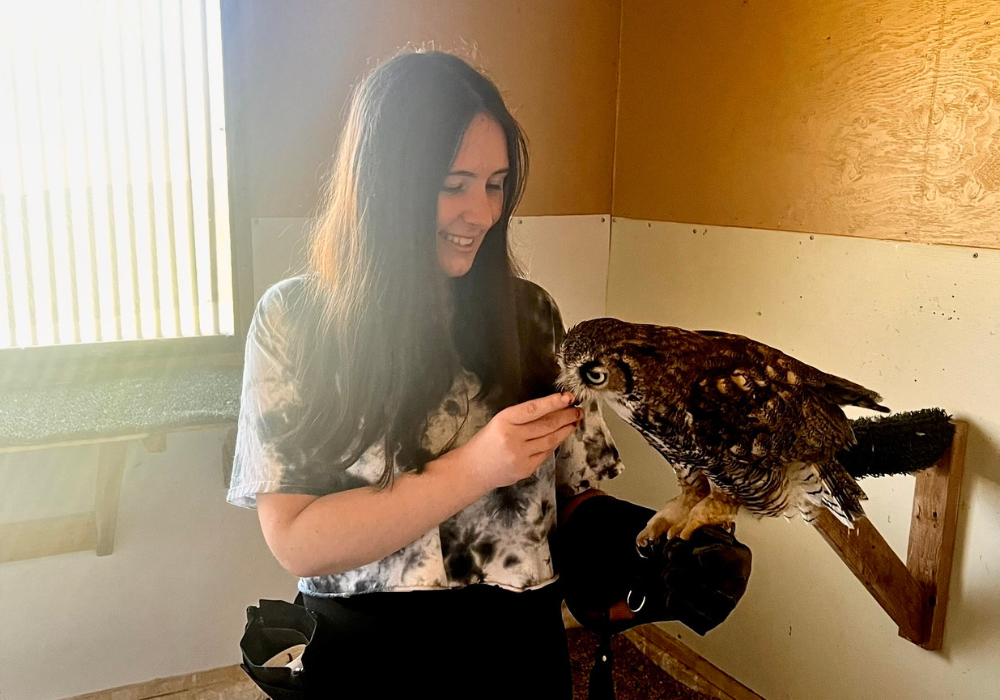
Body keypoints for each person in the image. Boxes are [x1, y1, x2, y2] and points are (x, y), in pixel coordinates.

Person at [227, 49, 748, 699]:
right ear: (383, 182)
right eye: (453, 184)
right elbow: (298, 542)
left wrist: (651, 549)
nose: (482, 212)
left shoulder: (530, 315)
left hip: (518, 653)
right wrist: (476, 466)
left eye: (496, 183)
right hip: (367, 658)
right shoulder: (294, 321)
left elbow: (571, 498)